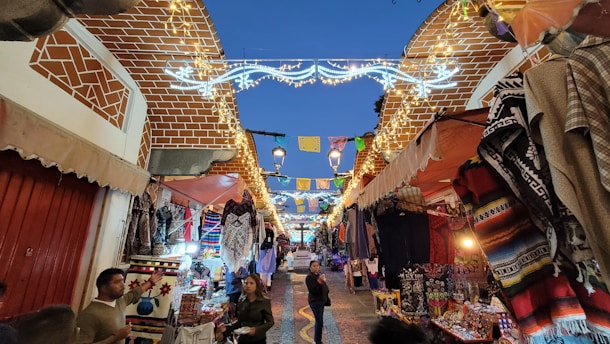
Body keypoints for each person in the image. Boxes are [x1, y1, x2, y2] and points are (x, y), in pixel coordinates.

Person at [76, 268, 164, 344]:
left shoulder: (119, 302)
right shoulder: (89, 315)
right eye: (117, 282)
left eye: (122, 281)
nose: (123, 285)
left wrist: (150, 282)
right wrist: (115, 337)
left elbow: (134, 294)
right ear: (103, 288)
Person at [216, 274, 274, 344]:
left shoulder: (264, 302)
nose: (248, 286)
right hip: (243, 339)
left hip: (258, 339)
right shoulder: (241, 300)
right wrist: (227, 328)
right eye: (246, 283)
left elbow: (270, 322)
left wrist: (256, 330)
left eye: (251, 283)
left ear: (257, 285)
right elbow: (240, 321)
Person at [305, 260, 330, 344]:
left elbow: (324, 287)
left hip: (321, 301)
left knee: (319, 321)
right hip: (315, 302)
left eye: (317, 266)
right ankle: (318, 341)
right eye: (314, 266)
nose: (316, 268)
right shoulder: (309, 277)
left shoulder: (318, 275)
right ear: (310, 267)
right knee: (319, 321)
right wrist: (319, 281)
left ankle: (318, 340)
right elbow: (313, 290)